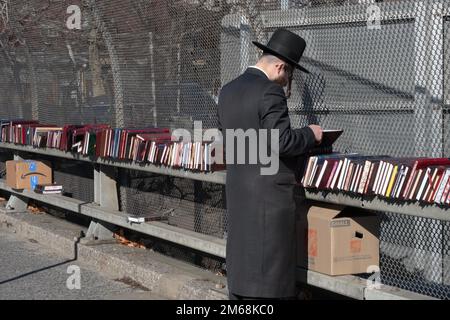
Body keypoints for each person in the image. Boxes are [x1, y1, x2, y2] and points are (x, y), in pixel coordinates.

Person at [217, 28, 323, 300]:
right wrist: (311, 134)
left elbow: (232, 140)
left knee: (244, 270)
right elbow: (283, 142)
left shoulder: (227, 91)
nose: (286, 81)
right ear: (280, 66)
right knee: (270, 279)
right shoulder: (269, 92)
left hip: (240, 191)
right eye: (288, 74)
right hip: (269, 199)